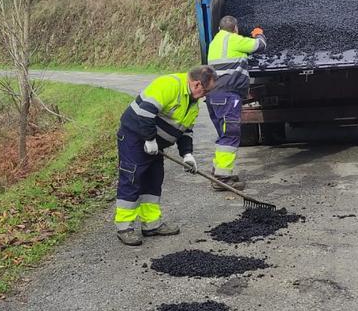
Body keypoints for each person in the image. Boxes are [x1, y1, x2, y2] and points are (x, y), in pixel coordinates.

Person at [114, 65, 217, 246]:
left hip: (155, 144)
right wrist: (149, 139)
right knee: (131, 179)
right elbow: (145, 111)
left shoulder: (193, 103)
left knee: (153, 181)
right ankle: (124, 228)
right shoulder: (169, 85)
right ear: (197, 85)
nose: (206, 96)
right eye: (206, 91)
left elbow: (185, 131)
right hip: (134, 138)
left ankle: (151, 225)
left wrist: (187, 155)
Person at [205, 15, 266, 190]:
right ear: (236, 28)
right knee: (230, 135)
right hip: (227, 95)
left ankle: (219, 172)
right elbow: (260, 46)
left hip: (213, 96)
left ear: (218, 29)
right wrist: (258, 33)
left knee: (223, 134)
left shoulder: (215, 42)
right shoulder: (235, 40)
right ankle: (223, 178)